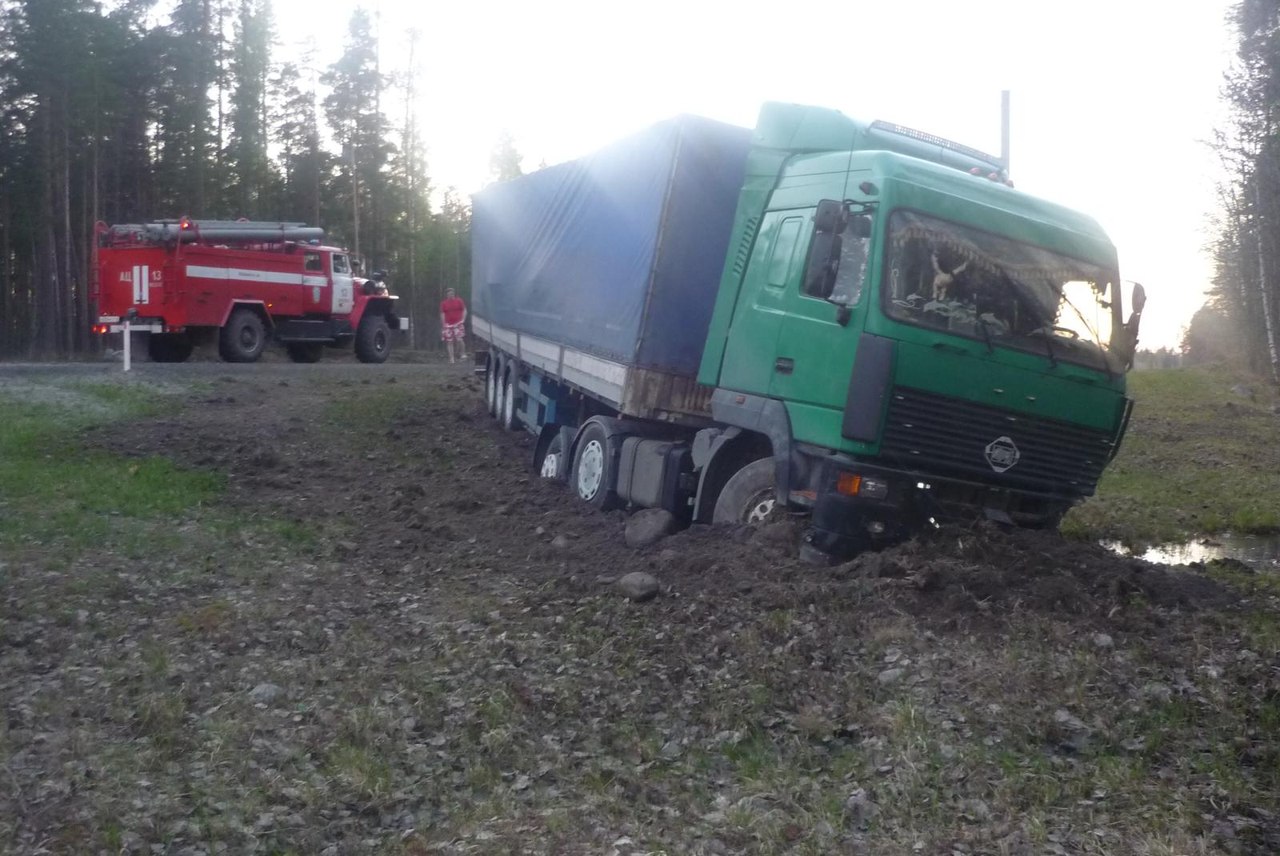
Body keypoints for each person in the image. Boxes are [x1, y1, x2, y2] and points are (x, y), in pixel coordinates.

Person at [439, 287, 467, 363]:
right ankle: (451, 359)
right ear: (447, 295)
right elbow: (442, 314)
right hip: (448, 325)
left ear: (454, 294)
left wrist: (463, 319)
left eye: (452, 293)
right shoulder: (444, 303)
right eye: (449, 294)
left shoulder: (459, 301)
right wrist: (444, 324)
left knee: (459, 339)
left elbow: (464, 310)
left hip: (458, 323)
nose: (451, 295)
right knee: (449, 341)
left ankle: (462, 354)